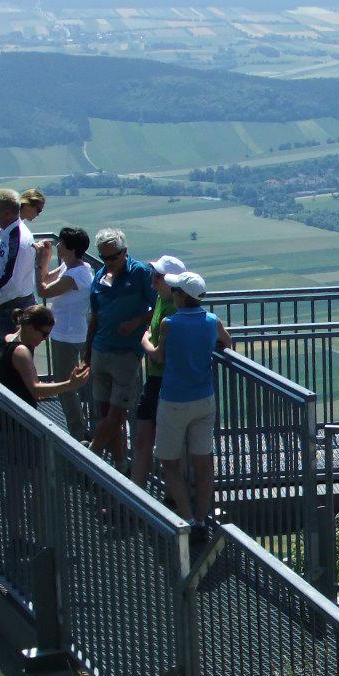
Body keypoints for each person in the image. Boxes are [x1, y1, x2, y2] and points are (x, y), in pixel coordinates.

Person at [143, 270, 229, 535]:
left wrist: (144, 339)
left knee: (170, 462)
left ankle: (188, 518)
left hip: (174, 400)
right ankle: (202, 519)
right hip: (204, 398)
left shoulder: (170, 324)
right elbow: (226, 342)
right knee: (203, 463)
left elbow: (157, 357)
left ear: (181, 296)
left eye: (176, 290)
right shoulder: (212, 321)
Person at [85, 228, 155, 465]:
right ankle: (120, 465)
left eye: (113, 257)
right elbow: (95, 315)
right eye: (104, 258)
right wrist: (87, 352)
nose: (109, 262)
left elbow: (158, 308)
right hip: (100, 350)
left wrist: (137, 321)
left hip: (126, 353)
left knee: (116, 414)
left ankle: (92, 453)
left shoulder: (140, 273)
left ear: (125, 252)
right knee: (105, 413)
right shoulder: (99, 275)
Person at [130, 253, 189, 489]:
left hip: (164, 381)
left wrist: (144, 340)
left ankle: (172, 495)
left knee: (164, 444)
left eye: (158, 276)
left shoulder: (172, 310)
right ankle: (143, 492)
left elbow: (162, 355)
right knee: (147, 440)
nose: (153, 280)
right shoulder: (161, 301)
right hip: (157, 380)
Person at [35, 226, 95, 440]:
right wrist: (44, 261)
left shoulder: (74, 275)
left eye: (61, 243)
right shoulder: (75, 268)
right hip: (75, 332)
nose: (58, 245)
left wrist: (39, 261)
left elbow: (42, 290)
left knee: (65, 385)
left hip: (68, 335)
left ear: (69, 249)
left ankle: (78, 433)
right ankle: (87, 428)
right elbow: (45, 279)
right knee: (81, 382)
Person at [0, 304, 89, 408]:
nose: (46, 338)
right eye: (44, 333)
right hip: (20, 414)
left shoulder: (7, 338)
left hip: (4, 409)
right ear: (30, 328)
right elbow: (36, 391)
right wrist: (70, 384)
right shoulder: (20, 352)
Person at [0, 188, 37, 349]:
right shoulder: (3, 231)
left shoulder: (18, 239)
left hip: (13, 310)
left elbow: (12, 279)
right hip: (4, 307)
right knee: (6, 358)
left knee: (13, 359)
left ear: (7, 214)